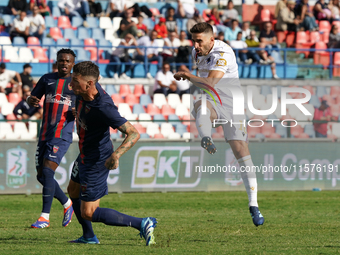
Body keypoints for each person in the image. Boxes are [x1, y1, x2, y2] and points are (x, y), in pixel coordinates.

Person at [173, 22, 264, 227]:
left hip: (233, 104)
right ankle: (206, 137)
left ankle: (254, 204)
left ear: (212, 40)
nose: (195, 45)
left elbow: (210, 83)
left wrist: (188, 75)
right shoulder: (198, 53)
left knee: (241, 151)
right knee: (199, 104)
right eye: (194, 41)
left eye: (199, 41)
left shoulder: (224, 53)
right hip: (213, 101)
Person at [67, 61, 157, 245]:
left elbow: (134, 133)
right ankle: (89, 236)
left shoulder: (104, 108)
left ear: (90, 84)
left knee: (89, 212)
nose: (71, 84)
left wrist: (116, 155)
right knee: (73, 190)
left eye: (75, 81)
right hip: (85, 153)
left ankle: (142, 223)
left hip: (97, 159)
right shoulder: (85, 90)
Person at [27, 48, 76, 228]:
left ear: (73, 64)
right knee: (41, 176)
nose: (64, 63)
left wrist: (77, 112)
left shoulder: (76, 82)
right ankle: (67, 203)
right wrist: (29, 100)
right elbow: (33, 97)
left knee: (48, 172)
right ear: (57, 61)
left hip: (62, 134)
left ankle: (44, 217)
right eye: (61, 60)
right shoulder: (47, 79)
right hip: (45, 133)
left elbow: (86, 105)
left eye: (68, 61)